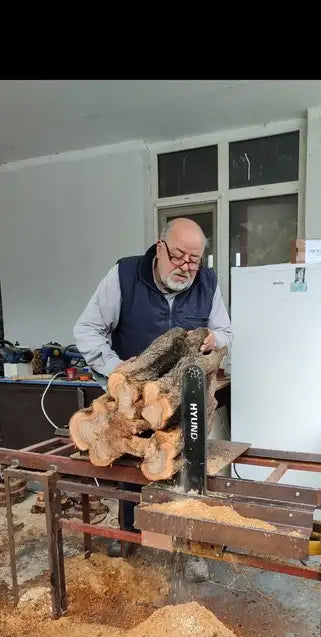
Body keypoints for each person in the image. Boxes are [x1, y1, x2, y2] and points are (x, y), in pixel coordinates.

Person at [74, 217, 233, 561]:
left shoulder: (207, 282)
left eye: (194, 260)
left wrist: (215, 338)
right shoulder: (124, 275)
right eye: (178, 256)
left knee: (190, 469)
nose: (185, 266)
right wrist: (114, 369)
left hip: (185, 401)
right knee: (132, 466)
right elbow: (87, 329)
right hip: (133, 402)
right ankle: (129, 533)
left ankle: (189, 548)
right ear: (160, 248)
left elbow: (226, 332)